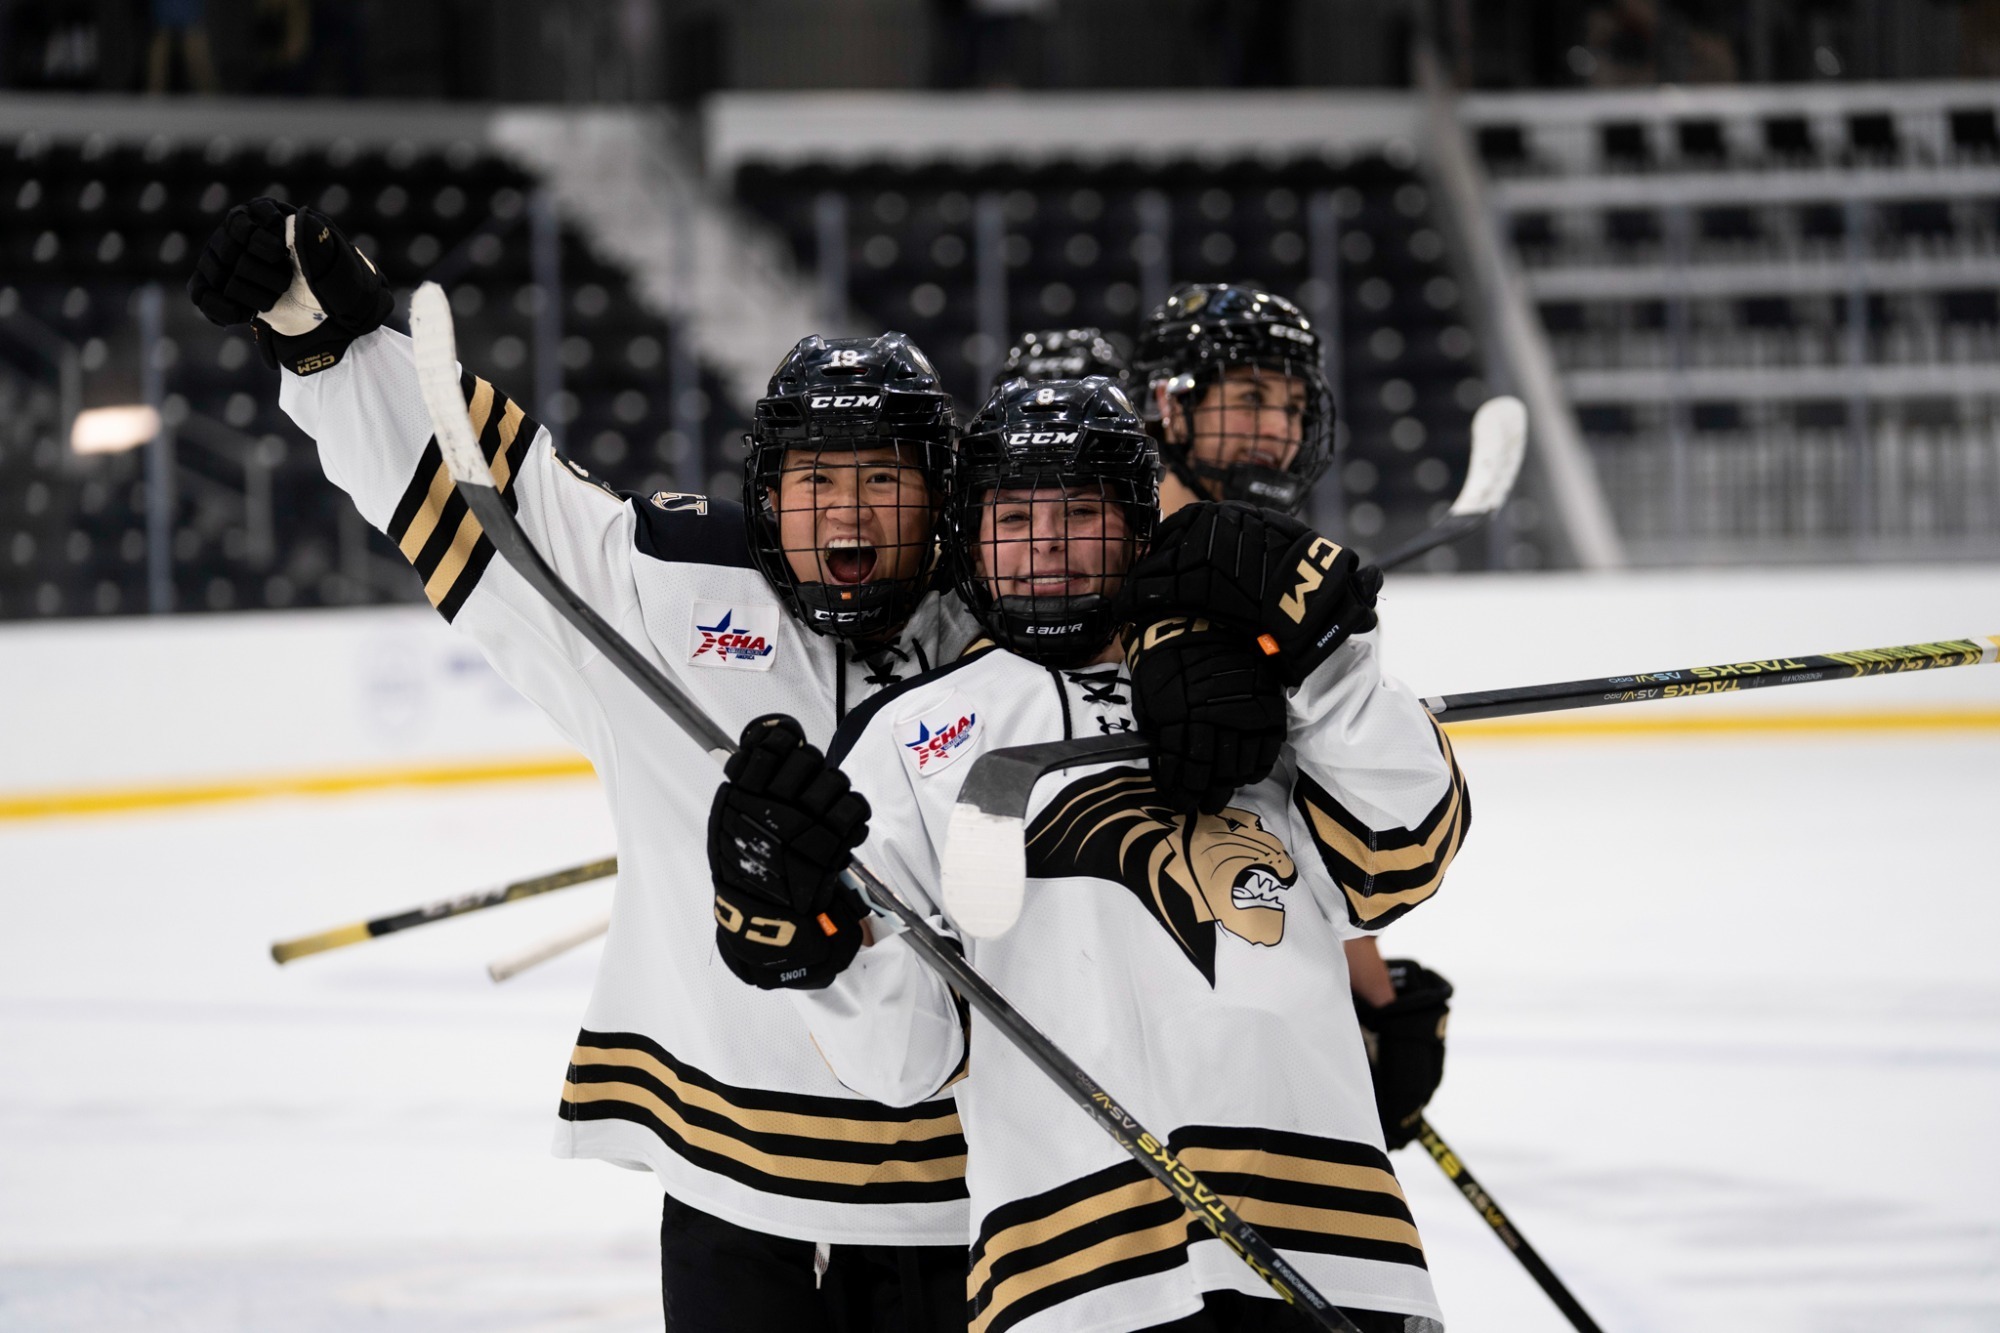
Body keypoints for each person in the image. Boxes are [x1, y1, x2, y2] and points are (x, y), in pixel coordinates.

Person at [186, 198, 978, 1331]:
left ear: (941, 498)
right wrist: (335, 344)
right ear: (766, 490)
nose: (844, 512)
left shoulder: (1009, 642)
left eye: (882, 481)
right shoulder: (668, 594)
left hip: (981, 1199)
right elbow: (496, 498)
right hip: (737, 1187)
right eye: (815, 480)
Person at [705, 376, 1467, 1332]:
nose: (1047, 544)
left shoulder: (1248, 677)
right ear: (967, 538)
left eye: (1081, 511)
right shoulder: (910, 738)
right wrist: (810, 948)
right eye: (1013, 515)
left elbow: (1405, 854)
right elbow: (907, 1059)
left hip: (1332, 1242)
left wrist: (1328, 657)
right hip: (1072, 1273)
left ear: (1140, 524)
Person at [1129, 283, 1455, 1153]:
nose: (1277, 426)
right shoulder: (1079, 562)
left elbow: (1281, 835)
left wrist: (1372, 1002)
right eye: (1250, 397)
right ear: (1166, 402)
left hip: (1240, 1020)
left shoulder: (1269, 576)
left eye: (1293, 402)